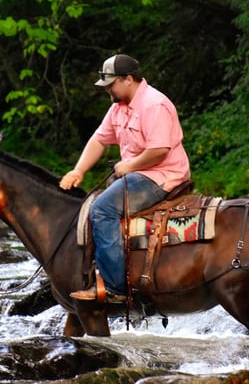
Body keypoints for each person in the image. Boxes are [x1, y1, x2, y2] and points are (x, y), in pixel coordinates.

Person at [59, 53, 191, 302]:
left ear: (128, 79)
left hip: (161, 176)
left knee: (102, 210)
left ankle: (115, 289)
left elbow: (159, 149)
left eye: (111, 84)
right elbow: (99, 139)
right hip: (137, 174)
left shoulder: (155, 104)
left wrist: (130, 165)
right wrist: (79, 170)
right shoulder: (117, 108)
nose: (107, 89)